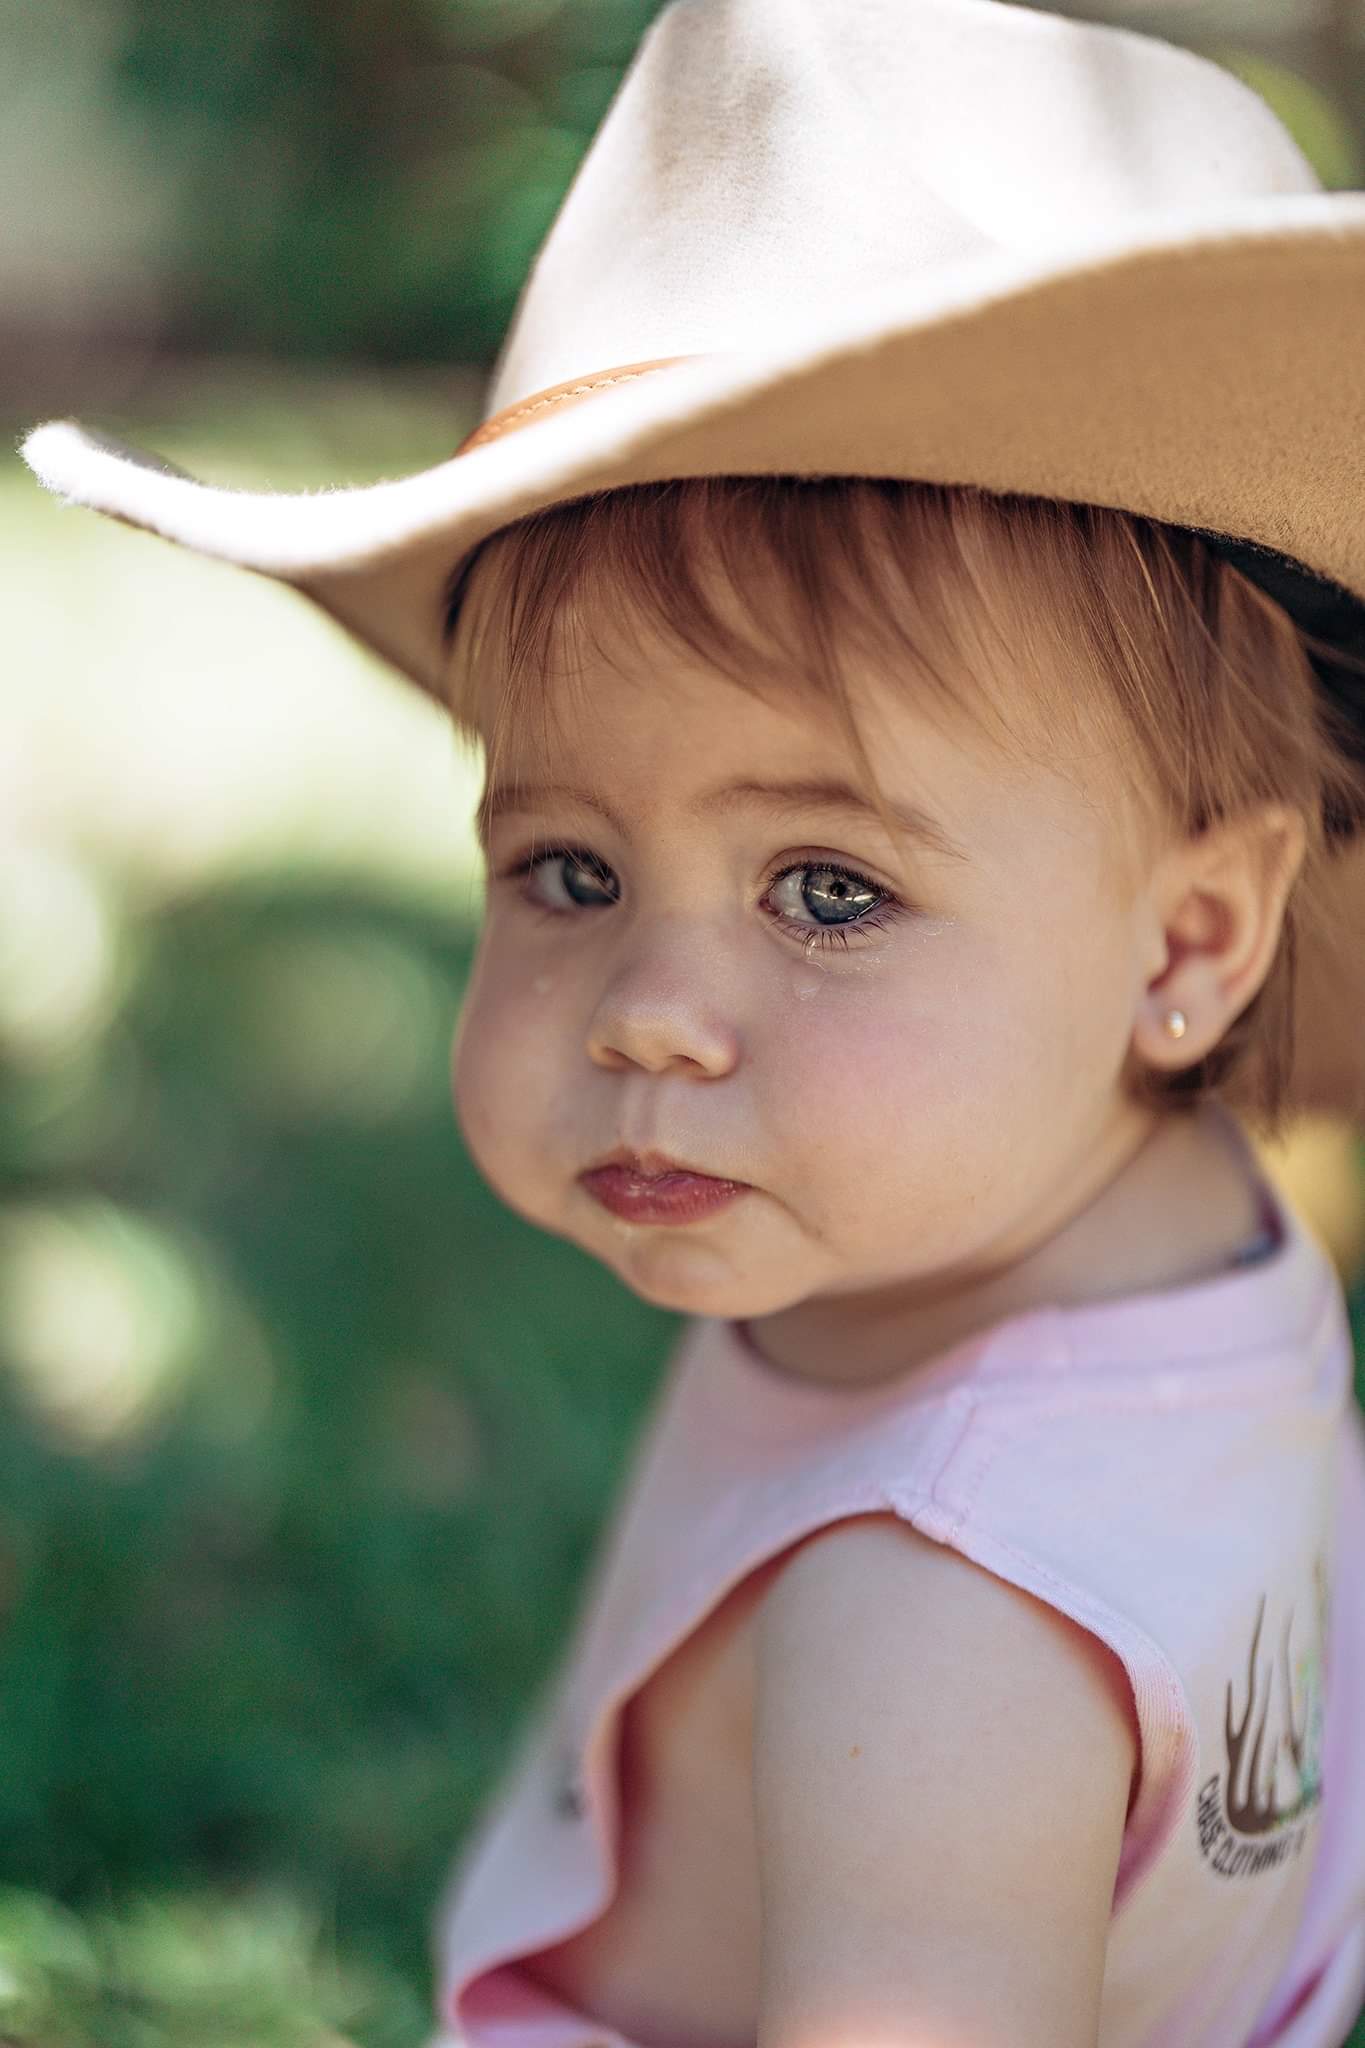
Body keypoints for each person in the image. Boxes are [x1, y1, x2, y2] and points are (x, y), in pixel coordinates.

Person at [21, 0, 1365, 2042]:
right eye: (563, 868)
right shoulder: (1165, 1262)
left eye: (828, 890)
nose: (647, 1014)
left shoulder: (938, 1623)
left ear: (1186, 939)